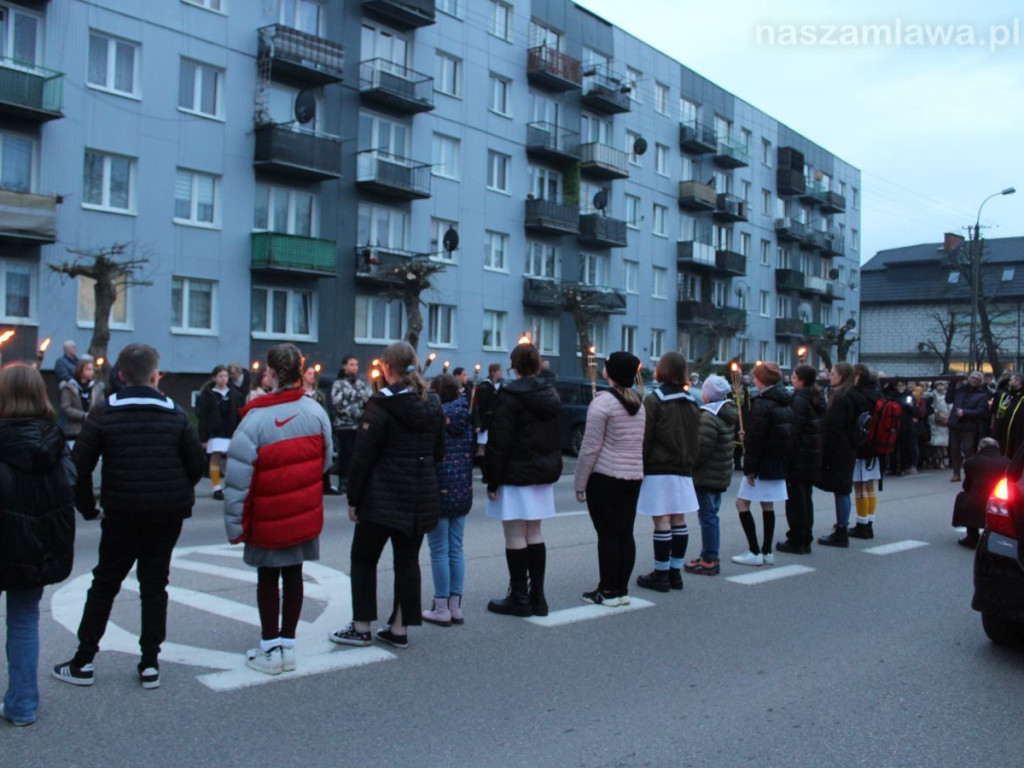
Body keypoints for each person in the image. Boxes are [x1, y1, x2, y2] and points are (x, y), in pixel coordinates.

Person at [52, 344, 206, 690]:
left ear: (120, 375)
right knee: (155, 586)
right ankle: (150, 662)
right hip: (166, 515)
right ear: (156, 375)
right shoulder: (176, 414)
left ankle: (84, 660)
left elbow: (79, 470)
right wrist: (174, 492)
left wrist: (89, 510)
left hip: (120, 513)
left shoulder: (104, 414)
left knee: (105, 583)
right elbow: (196, 466)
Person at [224, 344, 332, 675]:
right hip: (302, 511)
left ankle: (271, 647)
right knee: (294, 574)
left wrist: (234, 525)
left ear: (270, 373)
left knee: (268, 578)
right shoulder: (315, 412)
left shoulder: (255, 419)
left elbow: (237, 478)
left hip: (267, 516)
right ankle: (289, 645)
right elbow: (325, 463)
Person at [329, 342, 445, 649]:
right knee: (407, 562)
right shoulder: (432, 402)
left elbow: (362, 457)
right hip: (419, 497)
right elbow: (439, 452)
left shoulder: (381, 405)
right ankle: (399, 628)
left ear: (387, 368)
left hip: (382, 496)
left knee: (364, 559)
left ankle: (361, 626)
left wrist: (354, 498)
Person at [0, 364, 75, 727]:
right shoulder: (55, 441)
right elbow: (70, 488)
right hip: (32, 548)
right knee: (25, 620)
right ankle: (23, 705)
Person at [483, 343, 561, 617]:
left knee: (515, 534)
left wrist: (492, 480)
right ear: (538, 364)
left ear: (514, 366)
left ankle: (519, 596)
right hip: (542, 471)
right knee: (535, 533)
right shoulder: (549, 394)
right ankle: (538, 597)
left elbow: (499, 442)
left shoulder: (509, 396)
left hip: (515, 472)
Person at [575, 352, 646, 605]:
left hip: (605, 476)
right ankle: (621, 589)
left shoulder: (602, 404)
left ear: (610, 373)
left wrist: (580, 483)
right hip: (633, 475)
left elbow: (590, 447)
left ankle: (606, 590)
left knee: (607, 534)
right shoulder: (639, 403)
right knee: (625, 533)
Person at [633, 351, 699, 593]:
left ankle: (660, 574)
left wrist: (639, 463)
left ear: (662, 369)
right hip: (683, 467)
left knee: (661, 519)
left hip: (659, 466)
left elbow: (645, 436)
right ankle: (675, 572)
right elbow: (696, 436)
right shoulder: (692, 400)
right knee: (679, 519)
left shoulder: (655, 399)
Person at [422, 373, 475, 627]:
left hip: (439, 488)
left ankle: (440, 606)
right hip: (462, 488)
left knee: (439, 550)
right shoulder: (466, 414)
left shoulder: (434, 418)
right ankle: (456, 605)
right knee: (456, 547)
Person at [732, 363, 794, 566]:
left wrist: (749, 465)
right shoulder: (784, 400)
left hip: (762, 461)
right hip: (777, 461)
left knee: (742, 503)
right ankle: (767, 551)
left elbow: (758, 438)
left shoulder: (762, 402)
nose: (754, 379)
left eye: (756, 377)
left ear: (762, 380)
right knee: (768, 505)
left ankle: (754, 550)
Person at [685, 375, 738, 576]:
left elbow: (702, 449)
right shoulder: (727, 414)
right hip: (719, 474)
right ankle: (709, 555)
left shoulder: (708, 417)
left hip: (707, 476)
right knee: (711, 516)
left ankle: (709, 558)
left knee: (708, 518)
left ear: (708, 394)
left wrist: (689, 464)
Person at [816, 363, 871, 547]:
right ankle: (842, 527)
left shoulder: (841, 399)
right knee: (843, 489)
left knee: (841, 490)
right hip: (850, 447)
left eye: (832, 374)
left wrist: (826, 453)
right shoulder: (856, 396)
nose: (829, 377)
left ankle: (841, 530)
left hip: (840, 449)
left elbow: (834, 429)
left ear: (841, 377)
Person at [777, 364, 825, 554]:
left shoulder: (799, 400)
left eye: (795, 377)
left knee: (796, 500)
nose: (792, 380)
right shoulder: (816, 398)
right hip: (812, 454)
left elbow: (793, 431)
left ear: (802, 380)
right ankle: (805, 537)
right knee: (806, 497)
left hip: (800, 456)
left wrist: (786, 454)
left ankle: (796, 539)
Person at [197, 365, 243, 500]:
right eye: (220, 376)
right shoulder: (209, 394)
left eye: (226, 376)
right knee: (215, 458)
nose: (223, 379)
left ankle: (229, 487)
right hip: (216, 431)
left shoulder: (233, 393)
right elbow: (203, 416)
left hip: (231, 431)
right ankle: (217, 488)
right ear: (214, 378)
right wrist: (203, 438)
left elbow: (238, 413)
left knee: (232, 460)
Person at [954, 437, 1010, 549]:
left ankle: (972, 536)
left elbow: (966, 486)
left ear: (980, 448)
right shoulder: (1008, 463)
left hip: (977, 502)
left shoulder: (971, 462)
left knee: (963, 497)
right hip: (999, 503)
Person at [850, 365, 883, 537]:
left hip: (861, 444)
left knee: (859, 485)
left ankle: (861, 524)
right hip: (875, 443)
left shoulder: (859, 394)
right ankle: (869, 521)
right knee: (870, 484)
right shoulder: (877, 392)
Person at [330, 355, 369, 495]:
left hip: (358, 426)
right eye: (351, 364)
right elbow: (338, 404)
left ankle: (355, 481)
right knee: (346, 453)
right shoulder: (339, 384)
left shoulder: (360, 384)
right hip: (344, 426)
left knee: (357, 454)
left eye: (356, 364)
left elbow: (366, 401)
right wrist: (356, 413)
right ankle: (343, 481)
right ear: (344, 366)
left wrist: (364, 413)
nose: (354, 367)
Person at [946, 371, 990, 482]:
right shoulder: (960, 390)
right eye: (972, 378)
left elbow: (981, 411)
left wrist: (965, 412)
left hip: (969, 426)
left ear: (980, 382)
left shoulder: (982, 395)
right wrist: (952, 383)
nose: (974, 380)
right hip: (955, 424)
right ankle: (956, 473)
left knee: (968, 450)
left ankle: (971, 474)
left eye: (977, 379)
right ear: (969, 378)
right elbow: (948, 399)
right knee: (954, 450)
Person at [302, 364, 338, 495]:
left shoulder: (319, 395)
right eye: (309, 373)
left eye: (313, 374)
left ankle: (325, 484)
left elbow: (324, 412)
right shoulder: (300, 394)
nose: (312, 376)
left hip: (317, 431)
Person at [58, 358, 105, 451]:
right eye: (88, 369)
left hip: (92, 430)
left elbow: (101, 404)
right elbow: (66, 407)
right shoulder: (69, 388)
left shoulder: (96, 387)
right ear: (80, 371)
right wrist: (83, 415)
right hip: (73, 431)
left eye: (92, 369)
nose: (91, 372)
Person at [472, 363, 503, 457]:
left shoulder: (499, 385)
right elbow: (481, 405)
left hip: (494, 418)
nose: (501, 373)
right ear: (493, 372)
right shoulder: (485, 386)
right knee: (482, 442)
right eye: (499, 371)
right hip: (485, 418)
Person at [991, 373, 1024, 457]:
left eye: (1011, 380)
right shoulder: (1007, 396)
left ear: (1018, 382)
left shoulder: (1022, 398)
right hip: (1002, 433)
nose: (1009, 382)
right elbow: (999, 413)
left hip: (1016, 434)